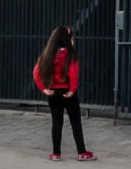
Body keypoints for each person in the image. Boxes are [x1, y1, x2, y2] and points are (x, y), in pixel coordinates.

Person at [34, 26, 94, 161]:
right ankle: (81, 152)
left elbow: (37, 72)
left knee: (56, 122)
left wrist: (43, 88)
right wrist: (72, 89)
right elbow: (73, 73)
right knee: (75, 122)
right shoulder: (70, 55)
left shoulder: (47, 54)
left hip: (53, 92)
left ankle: (56, 153)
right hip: (67, 91)